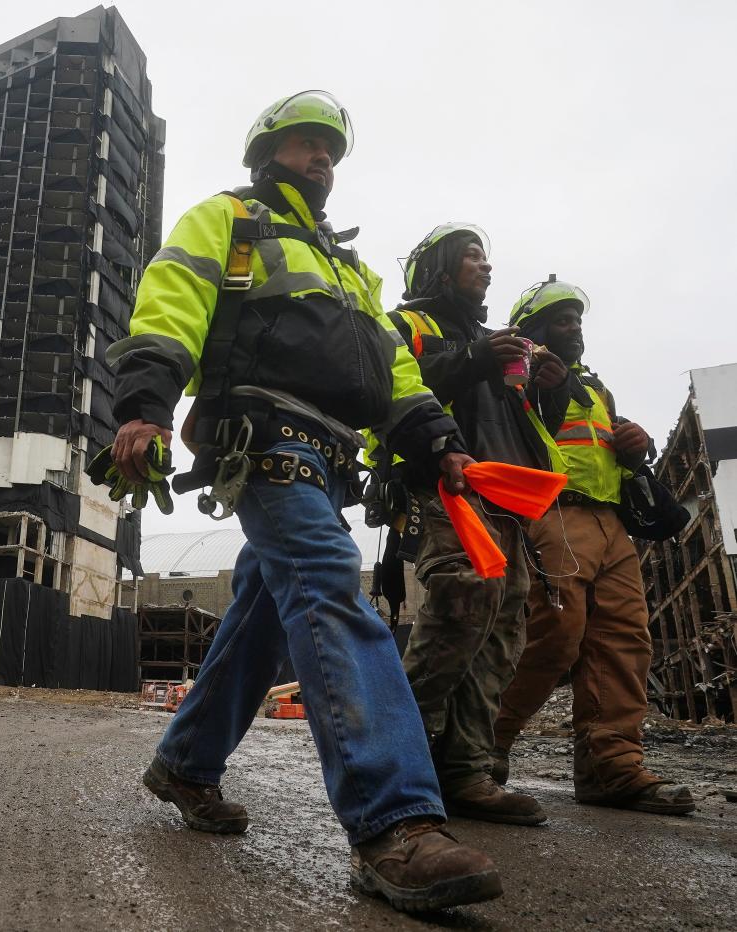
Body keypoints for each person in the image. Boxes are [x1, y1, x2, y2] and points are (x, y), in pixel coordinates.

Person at [105, 91, 502, 913]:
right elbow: (172, 299)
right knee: (328, 585)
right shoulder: (230, 219)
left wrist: (437, 442)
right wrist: (146, 404)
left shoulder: (350, 269)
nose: (320, 157)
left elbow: (396, 373)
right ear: (266, 153)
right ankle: (395, 822)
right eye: (303, 144)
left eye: (329, 149)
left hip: (332, 456)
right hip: (264, 437)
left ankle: (185, 764)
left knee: (258, 613)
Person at [490, 279, 695, 815]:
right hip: (555, 513)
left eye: (578, 319)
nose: (574, 326)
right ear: (534, 330)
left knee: (624, 642)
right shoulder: (515, 371)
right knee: (553, 633)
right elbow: (508, 433)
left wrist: (636, 447)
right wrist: (541, 388)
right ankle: (480, 747)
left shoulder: (594, 389)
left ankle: (612, 766)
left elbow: (600, 452)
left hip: (610, 525)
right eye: (561, 319)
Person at [382, 226, 560, 826]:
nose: (485, 266)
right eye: (472, 256)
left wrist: (544, 389)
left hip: (506, 495)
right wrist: (472, 360)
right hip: (448, 486)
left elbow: (519, 423)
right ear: (438, 267)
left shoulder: (494, 341)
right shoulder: (408, 326)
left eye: (487, 255)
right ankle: (398, 763)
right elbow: (389, 392)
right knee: (464, 603)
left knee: (502, 631)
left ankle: (466, 772)